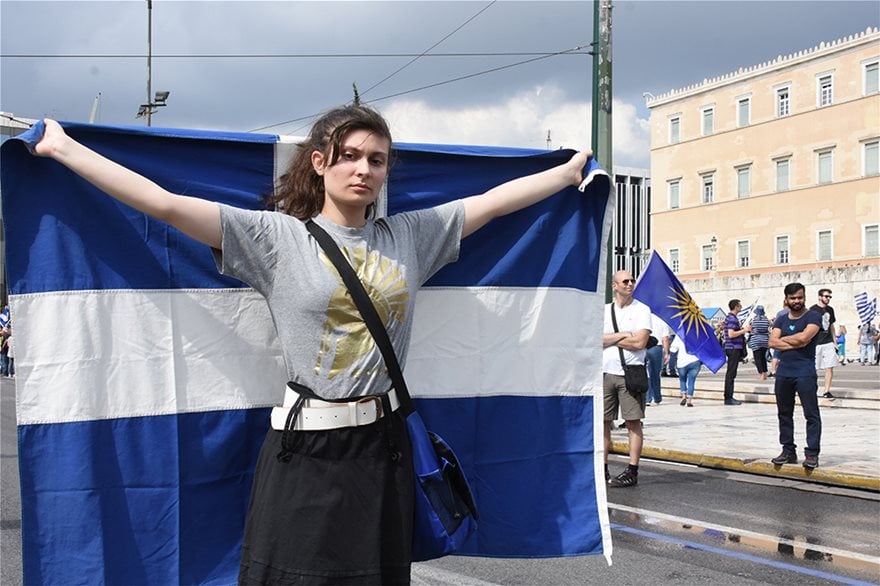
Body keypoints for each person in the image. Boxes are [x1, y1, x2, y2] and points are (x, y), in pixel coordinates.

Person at [32, 111, 592, 584]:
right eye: (349, 155)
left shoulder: (411, 237)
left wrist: (566, 174)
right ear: (320, 163)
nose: (363, 169)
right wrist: (62, 148)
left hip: (385, 447)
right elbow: (165, 204)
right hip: (307, 451)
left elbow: (492, 203)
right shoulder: (276, 239)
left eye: (376, 159)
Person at [602, 270, 651, 488]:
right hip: (605, 372)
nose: (630, 284)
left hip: (631, 372)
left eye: (632, 280)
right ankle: (602, 467)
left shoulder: (642, 310)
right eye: (625, 281)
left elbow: (640, 342)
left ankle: (632, 470)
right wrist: (624, 335)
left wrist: (611, 339)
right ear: (614, 285)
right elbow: (594, 339)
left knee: (633, 422)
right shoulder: (604, 311)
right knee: (603, 422)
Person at [769, 282, 822, 469]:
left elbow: (804, 338)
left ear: (804, 297)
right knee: (784, 413)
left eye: (800, 297)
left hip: (805, 372)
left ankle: (812, 453)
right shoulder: (782, 319)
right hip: (784, 373)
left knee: (811, 414)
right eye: (793, 298)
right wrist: (795, 342)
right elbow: (772, 342)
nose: (797, 301)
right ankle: (788, 450)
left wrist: (784, 340)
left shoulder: (814, 316)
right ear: (786, 299)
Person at [809, 288, 837, 399]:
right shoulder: (812, 310)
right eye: (826, 296)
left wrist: (834, 341)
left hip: (828, 341)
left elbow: (831, 326)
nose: (828, 298)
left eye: (830, 297)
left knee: (829, 367)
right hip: (816, 343)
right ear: (820, 297)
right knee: (813, 368)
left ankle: (827, 391)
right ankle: (812, 389)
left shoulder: (830, 310)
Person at [722, 299, 751, 405]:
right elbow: (731, 334)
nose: (741, 307)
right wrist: (744, 330)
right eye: (740, 305)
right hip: (733, 348)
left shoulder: (731, 318)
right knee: (731, 373)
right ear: (736, 307)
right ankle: (728, 397)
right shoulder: (732, 319)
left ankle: (729, 396)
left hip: (733, 348)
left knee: (731, 373)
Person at [645, 313, 671, 406]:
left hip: (644, 346)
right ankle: (657, 397)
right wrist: (667, 353)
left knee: (645, 373)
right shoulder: (662, 321)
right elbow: (666, 338)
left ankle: (647, 398)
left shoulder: (645, 318)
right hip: (656, 347)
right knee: (655, 373)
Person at [671, 335, 701, 407]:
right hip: (695, 360)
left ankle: (683, 396)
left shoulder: (680, 334)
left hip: (682, 361)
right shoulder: (698, 334)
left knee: (682, 380)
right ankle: (689, 400)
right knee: (691, 381)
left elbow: (673, 349)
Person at [747, 305, 771, 381]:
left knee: (757, 358)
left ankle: (761, 374)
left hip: (756, 341)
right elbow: (770, 327)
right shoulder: (766, 320)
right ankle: (765, 373)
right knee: (763, 358)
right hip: (765, 340)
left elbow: (749, 329)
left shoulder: (753, 320)